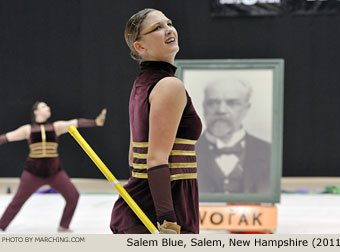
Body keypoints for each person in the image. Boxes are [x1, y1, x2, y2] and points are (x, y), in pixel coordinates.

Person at [110, 8, 202, 234]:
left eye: (169, 23)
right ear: (140, 47)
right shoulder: (169, 85)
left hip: (141, 205)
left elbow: (133, 156)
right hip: (161, 210)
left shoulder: (141, 85)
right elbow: (156, 158)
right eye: (157, 28)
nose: (169, 30)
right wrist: (168, 220)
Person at [0, 101, 107, 232]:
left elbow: (75, 122)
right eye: (44, 106)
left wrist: (96, 122)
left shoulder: (56, 127)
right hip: (32, 173)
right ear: (36, 112)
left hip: (55, 172)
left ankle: (64, 226)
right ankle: (1, 224)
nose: (48, 108)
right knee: (17, 201)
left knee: (73, 196)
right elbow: (6, 137)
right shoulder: (27, 129)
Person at [196, 79, 271, 194]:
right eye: (212, 103)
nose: (221, 110)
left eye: (232, 103)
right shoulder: (185, 152)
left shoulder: (269, 152)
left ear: (246, 108)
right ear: (203, 106)